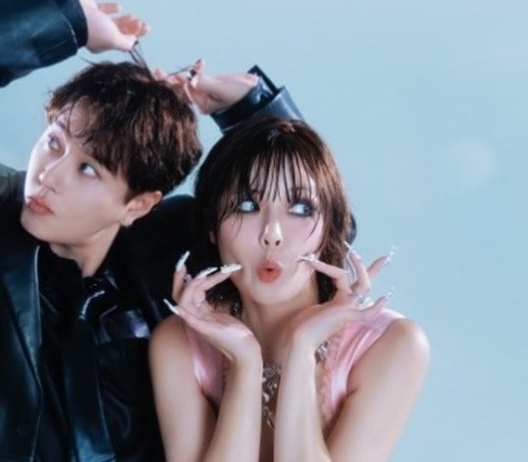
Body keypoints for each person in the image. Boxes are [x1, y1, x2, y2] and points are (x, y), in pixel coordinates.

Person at [0, 0, 307, 459]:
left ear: (138, 205)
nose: (48, 176)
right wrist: (63, 19)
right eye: (54, 142)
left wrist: (253, 111)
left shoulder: (174, 254)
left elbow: (310, 248)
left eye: (89, 169)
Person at [149, 116, 430, 461]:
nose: (273, 234)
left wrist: (302, 348)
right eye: (247, 206)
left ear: (329, 228)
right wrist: (244, 362)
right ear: (211, 225)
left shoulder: (392, 344)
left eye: (300, 208)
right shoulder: (179, 342)